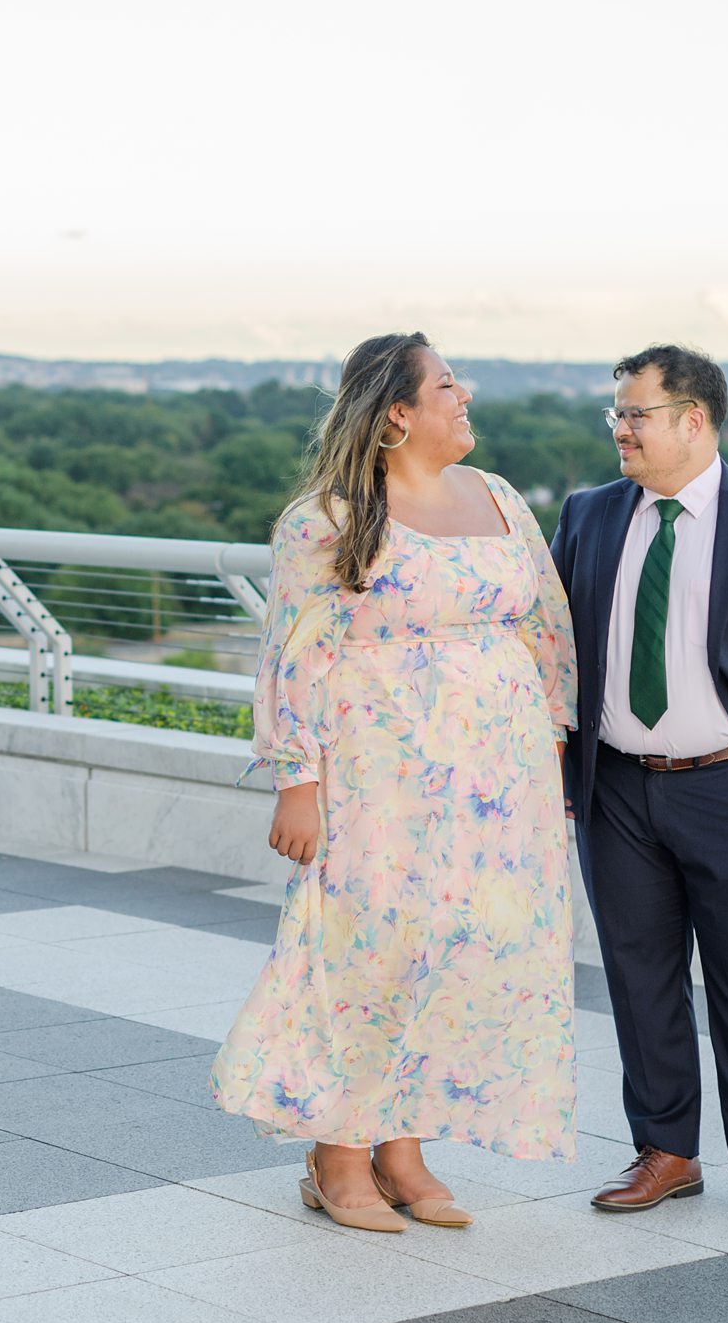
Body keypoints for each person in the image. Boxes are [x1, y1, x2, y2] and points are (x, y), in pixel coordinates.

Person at [212, 332, 579, 1233]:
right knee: (363, 951)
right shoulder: (329, 519)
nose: (466, 396)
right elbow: (294, 654)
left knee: (456, 948)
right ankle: (337, 1154)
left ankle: (404, 1148)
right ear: (396, 415)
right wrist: (296, 778)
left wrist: (553, 751)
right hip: (376, 780)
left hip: (499, 785)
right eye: (447, 384)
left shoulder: (498, 499)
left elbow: (547, 629)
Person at [549, 344, 728, 1231]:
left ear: (695, 419)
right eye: (617, 414)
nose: (620, 430)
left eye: (636, 414)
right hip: (617, 792)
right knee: (641, 977)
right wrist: (569, 776)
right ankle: (666, 1151)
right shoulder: (590, 513)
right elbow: (555, 650)